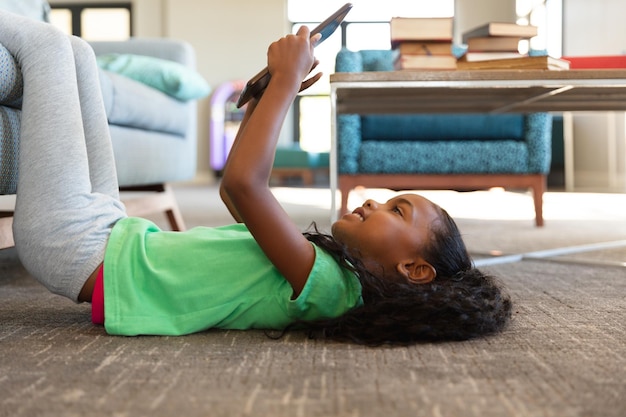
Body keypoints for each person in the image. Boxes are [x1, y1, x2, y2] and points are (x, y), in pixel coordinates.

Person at [2, 10, 511, 345]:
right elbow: (234, 189)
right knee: (78, 52)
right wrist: (266, 100)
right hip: (107, 233)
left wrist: (288, 82)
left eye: (397, 210)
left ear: (414, 270)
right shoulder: (323, 267)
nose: (376, 202)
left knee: (46, 44)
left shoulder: (335, 289)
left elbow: (248, 183)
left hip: (80, 248)